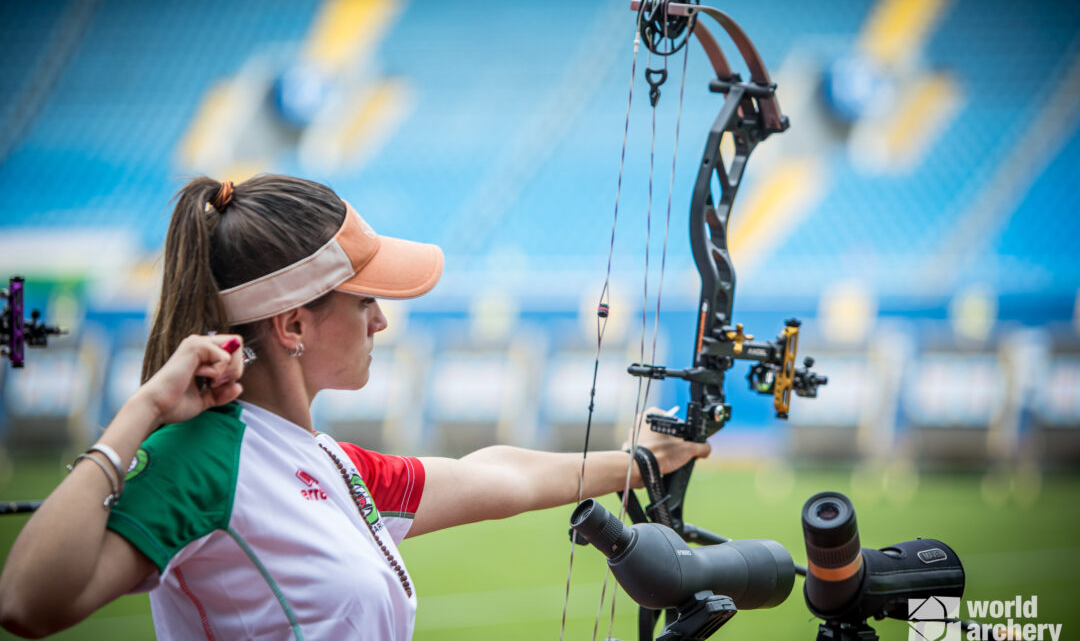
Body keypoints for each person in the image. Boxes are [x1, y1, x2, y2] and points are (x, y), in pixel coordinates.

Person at [0, 175, 710, 639]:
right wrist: (145, 410)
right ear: (293, 326)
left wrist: (637, 460)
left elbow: (494, 478)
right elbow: (27, 602)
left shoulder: (329, 464)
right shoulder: (204, 458)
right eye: (364, 301)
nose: (381, 321)